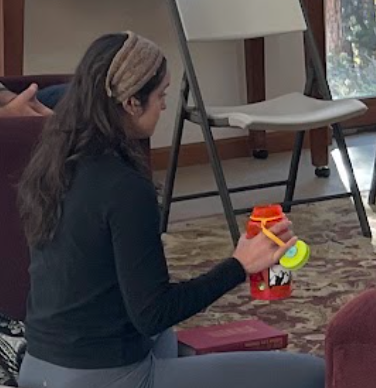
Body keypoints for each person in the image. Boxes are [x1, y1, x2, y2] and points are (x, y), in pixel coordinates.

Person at [16, 32, 325, 388]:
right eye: (160, 95)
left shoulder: (52, 161)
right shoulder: (125, 187)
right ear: (132, 102)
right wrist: (240, 265)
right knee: (315, 373)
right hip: (105, 376)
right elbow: (153, 312)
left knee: (167, 341)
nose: (164, 106)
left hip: (38, 368)